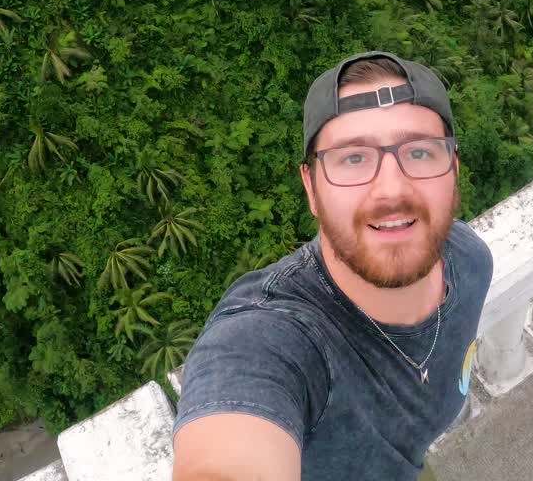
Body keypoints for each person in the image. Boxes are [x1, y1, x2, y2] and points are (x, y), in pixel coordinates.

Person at [171, 51, 494, 481]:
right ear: (311, 187)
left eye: (419, 152)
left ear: (453, 169)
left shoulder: (470, 262)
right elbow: (230, 446)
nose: (391, 188)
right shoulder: (273, 337)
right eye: (353, 158)